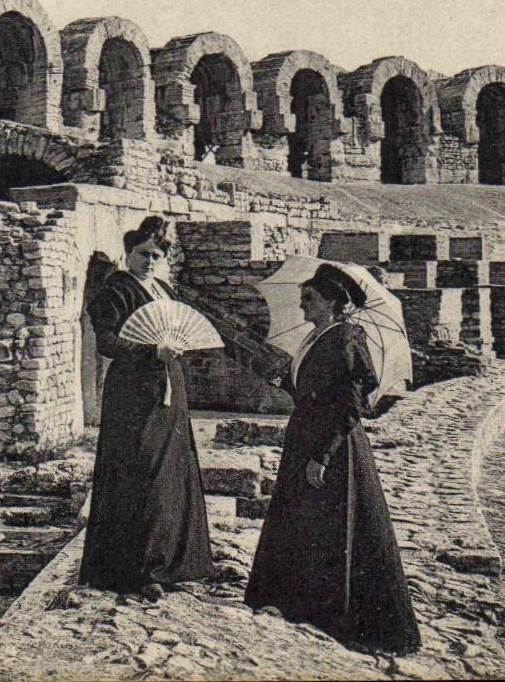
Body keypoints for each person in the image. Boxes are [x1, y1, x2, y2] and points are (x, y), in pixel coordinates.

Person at [245, 266, 421, 653]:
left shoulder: (347, 337)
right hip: (306, 438)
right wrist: (277, 378)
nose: (302, 305)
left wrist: (322, 456)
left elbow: (348, 405)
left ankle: (337, 615)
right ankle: (300, 604)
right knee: (305, 522)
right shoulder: (317, 334)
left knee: (336, 528)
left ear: (334, 303)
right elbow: (310, 390)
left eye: (310, 298)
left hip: (333, 446)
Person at [79, 216, 213, 600]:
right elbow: (105, 341)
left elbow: (176, 328)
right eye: (142, 254)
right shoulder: (115, 291)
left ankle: (174, 560)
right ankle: (136, 569)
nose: (149, 261)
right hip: (133, 394)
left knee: (171, 469)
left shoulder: (163, 290)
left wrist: (171, 351)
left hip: (168, 389)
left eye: (156, 255)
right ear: (128, 255)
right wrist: (150, 351)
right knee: (139, 469)